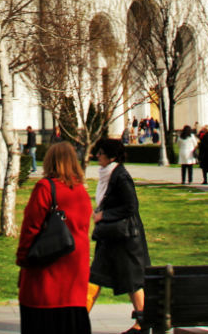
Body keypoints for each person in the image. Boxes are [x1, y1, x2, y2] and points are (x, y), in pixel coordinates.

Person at [15, 141, 92, 334]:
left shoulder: (45, 188)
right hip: (74, 274)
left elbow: (31, 228)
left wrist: (23, 260)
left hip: (46, 274)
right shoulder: (81, 191)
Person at [88, 138, 150, 334]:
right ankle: (78, 318)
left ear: (111, 156)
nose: (97, 156)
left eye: (101, 152)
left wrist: (104, 215)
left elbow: (131, 206)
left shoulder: (120, 176)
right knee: (97, 277)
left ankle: (142, 323)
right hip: (112, 236)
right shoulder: (109, 174)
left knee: (131, 281)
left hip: (125, 238)